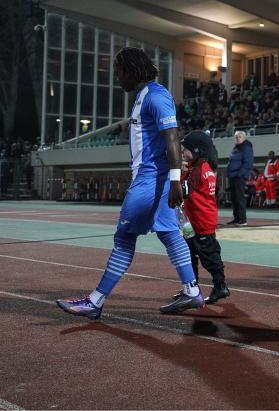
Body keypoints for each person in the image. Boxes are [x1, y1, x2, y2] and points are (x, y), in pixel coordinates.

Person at [56, 48, 204, 318]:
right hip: (153, 178)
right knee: (169, 233)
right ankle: (191, 290)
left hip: (151, 180)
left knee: (124, 239)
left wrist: (174, 181)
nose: (116, 78)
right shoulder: (142, 97)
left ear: (131, 71)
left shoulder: (156, 96)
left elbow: (172, 137)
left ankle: (96, 301)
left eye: (118, 72)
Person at [178, 130, 229, 304]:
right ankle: (191, 288)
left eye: (186, 149)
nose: (182, 152)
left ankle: (220, 286)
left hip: (200, 222)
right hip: (194, 221)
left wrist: (175, 172)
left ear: (197, 150)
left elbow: (183, 190)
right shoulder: (200, 167)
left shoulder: (198, 170)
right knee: (189, 255)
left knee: (208, 256)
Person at [227, 130, 253, 226]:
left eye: (240, 137)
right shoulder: (236, 148)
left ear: (244, 138)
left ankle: (242, 220)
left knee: (239, 198)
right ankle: (237, 218)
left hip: (239, 177)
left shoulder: (246, 148)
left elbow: (248, 164)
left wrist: (239, 174)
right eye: (237, 137)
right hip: (233, 177)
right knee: (234, 199)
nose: (238, 138)